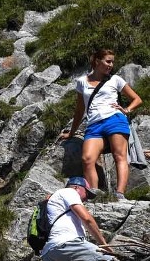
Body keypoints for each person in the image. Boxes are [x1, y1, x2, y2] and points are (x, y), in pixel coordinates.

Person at [60, 49, 142, 200]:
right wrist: (72, 133)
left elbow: (137, 99)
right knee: (87, 159)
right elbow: (79, 110)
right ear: (97, 61)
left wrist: (127, 110)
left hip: (115, 119)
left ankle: (119, 194)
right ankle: (94, 194)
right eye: (108, 61)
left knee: (120, 156)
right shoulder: (82, 82)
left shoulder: (115, 79)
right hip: (93, 125)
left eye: (112, 62)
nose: (111, 65)